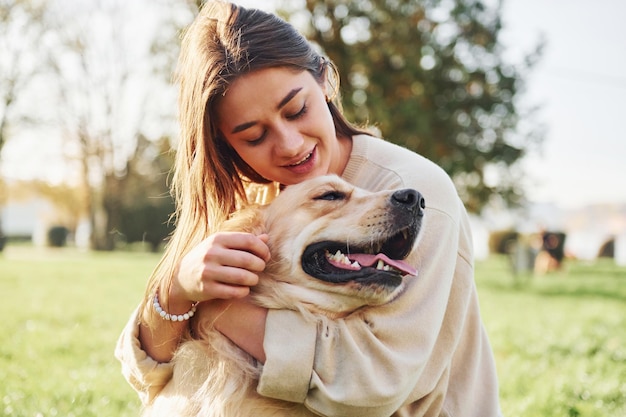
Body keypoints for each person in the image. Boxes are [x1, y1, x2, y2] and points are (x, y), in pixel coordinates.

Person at [115, 1, 503, 416]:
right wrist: (178, 289)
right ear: (226, 145)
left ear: (325, 82)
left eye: (297, 110)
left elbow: (372, 383)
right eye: (254, 135)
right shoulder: (249, 201)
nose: (290, 145)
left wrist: (211, 308)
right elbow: (148, 373)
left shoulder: (413, 189)